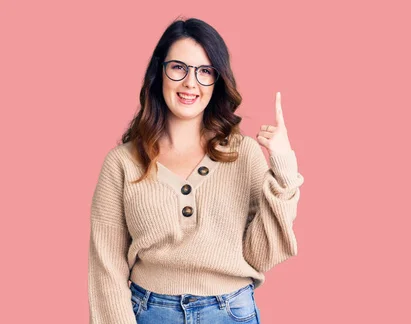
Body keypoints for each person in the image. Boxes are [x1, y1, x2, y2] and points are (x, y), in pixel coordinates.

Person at [88, 17, 304, 324]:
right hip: (148, 313)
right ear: (158, 72)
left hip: (231, 313)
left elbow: (261, 256)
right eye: (179, 67)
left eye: (205, 72)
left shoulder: (244, 155)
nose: (191, 83)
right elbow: (105, 268)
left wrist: (283, 171)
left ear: (217, 81)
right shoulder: (121, 163)